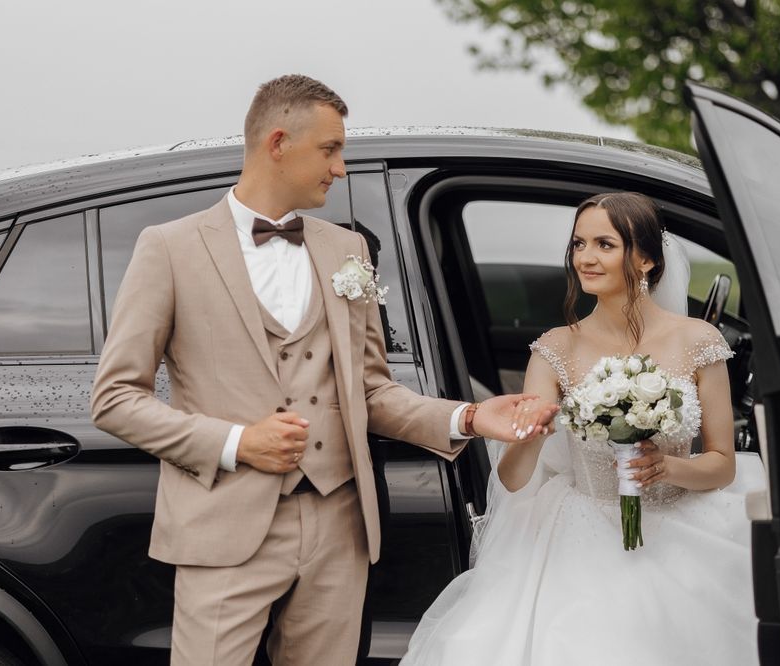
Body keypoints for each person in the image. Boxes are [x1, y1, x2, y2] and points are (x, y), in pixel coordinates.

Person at [89, 74, 555, 666]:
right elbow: (115, 398)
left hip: (339, 524)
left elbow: (371, 390)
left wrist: (468, 417)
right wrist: (237, 442)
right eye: (331, 149)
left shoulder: (346, 251)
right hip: (224, 524)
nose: (340, 168)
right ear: (278, 142)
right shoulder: (170, 248)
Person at [401, 192, 766, 665]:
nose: (586, 259)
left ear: (648, 259)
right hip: (581, 533)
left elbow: (721, 465)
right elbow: (513, 480)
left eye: (604, 245)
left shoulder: (699, 341)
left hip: (682, 529)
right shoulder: (555, 349)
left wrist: (667, 467)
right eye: (578, 244)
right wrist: (532, 435)